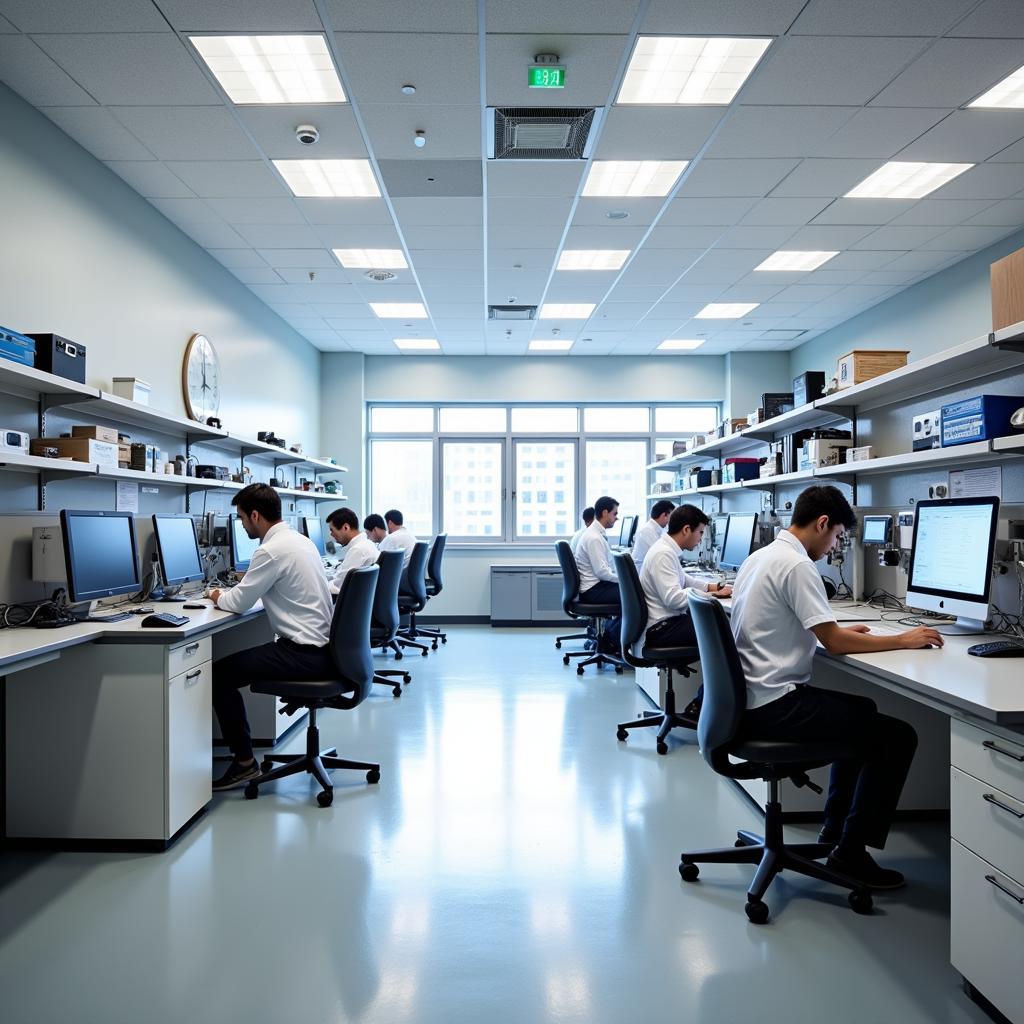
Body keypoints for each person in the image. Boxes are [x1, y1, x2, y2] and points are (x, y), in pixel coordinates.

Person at [730, 484, 942, 890]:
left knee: (861, 712)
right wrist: (901, 639)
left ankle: (834, 832)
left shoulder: (762, 557)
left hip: (749, 702)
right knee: (896, 736)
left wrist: (839, 629)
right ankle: (850, 851)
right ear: (822, 523)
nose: (833, 547)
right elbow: (834, 643)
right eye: (837, 536)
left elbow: (802, 628)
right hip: (774, 708)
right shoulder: (796, 565)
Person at [207, 483, 334, 791]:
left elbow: (237, 603)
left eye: (241, 518)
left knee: (218, 676)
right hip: (324, 649)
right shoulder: (300, 541)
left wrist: (213, 593)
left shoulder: (270, 550)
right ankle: (241, 757)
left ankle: (244, 764)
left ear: (255, 515)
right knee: (230, 667)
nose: (241, 524)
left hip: (302, 654)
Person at [640, 504, 731, 651]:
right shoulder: (663, 554)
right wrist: (711, 595)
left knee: (718, 622)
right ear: (686, 530)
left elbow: (685, 580)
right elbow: (674, 599)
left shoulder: (666, 549)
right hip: (660, 629)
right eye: (700, 533)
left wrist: (712, 587)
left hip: (665, 623)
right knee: (725, 626)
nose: (700, 539)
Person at [575, 495, 622, 651]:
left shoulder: (595, 533)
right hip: (593, 591)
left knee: (633, 593)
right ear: (605, 512)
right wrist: (625, 580)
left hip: (594, 587)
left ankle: (611, 637)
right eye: (614, 514)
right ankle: (611, 639)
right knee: (635, 596)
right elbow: (602, 572)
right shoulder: (594, 537)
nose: (616, 518)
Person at [326, 507, 379, 596]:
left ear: (346, 527)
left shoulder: (358, 550)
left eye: (332, 530)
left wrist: (318, 585)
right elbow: (341, 575)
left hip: (353, 603)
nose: (331, 534)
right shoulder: (367, 544)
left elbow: (338, 586)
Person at [632, 499, 675, 569]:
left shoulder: (653, 529)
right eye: (671, 516)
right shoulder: (647, 531)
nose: (672, 520)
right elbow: (663, 554)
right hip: (642, 573)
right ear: (664, 515)